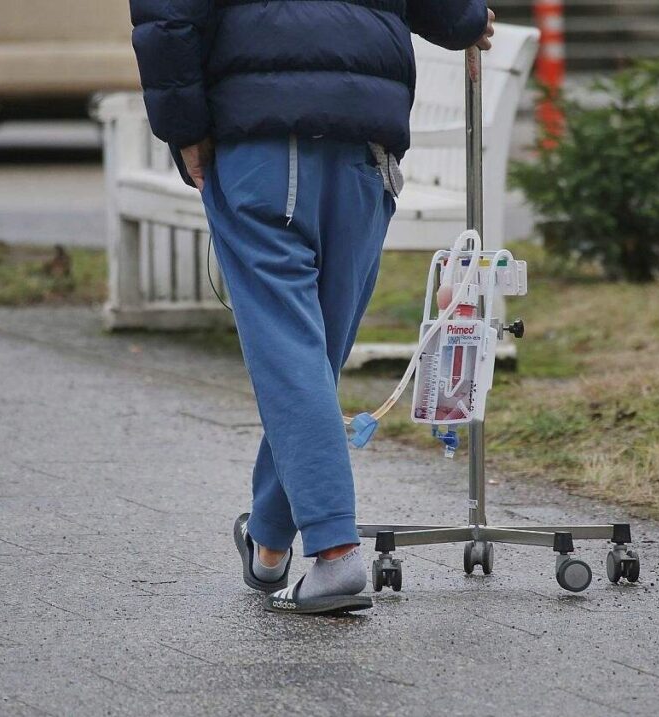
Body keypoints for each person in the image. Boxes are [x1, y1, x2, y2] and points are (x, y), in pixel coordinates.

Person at [129, 0, 495, 615]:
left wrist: (185, 129)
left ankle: (334, 551)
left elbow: (168, 20)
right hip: (366, 145)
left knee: (292, 352)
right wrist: (467, 16)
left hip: (263, 141)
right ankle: (270, 542)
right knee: (311, 356)